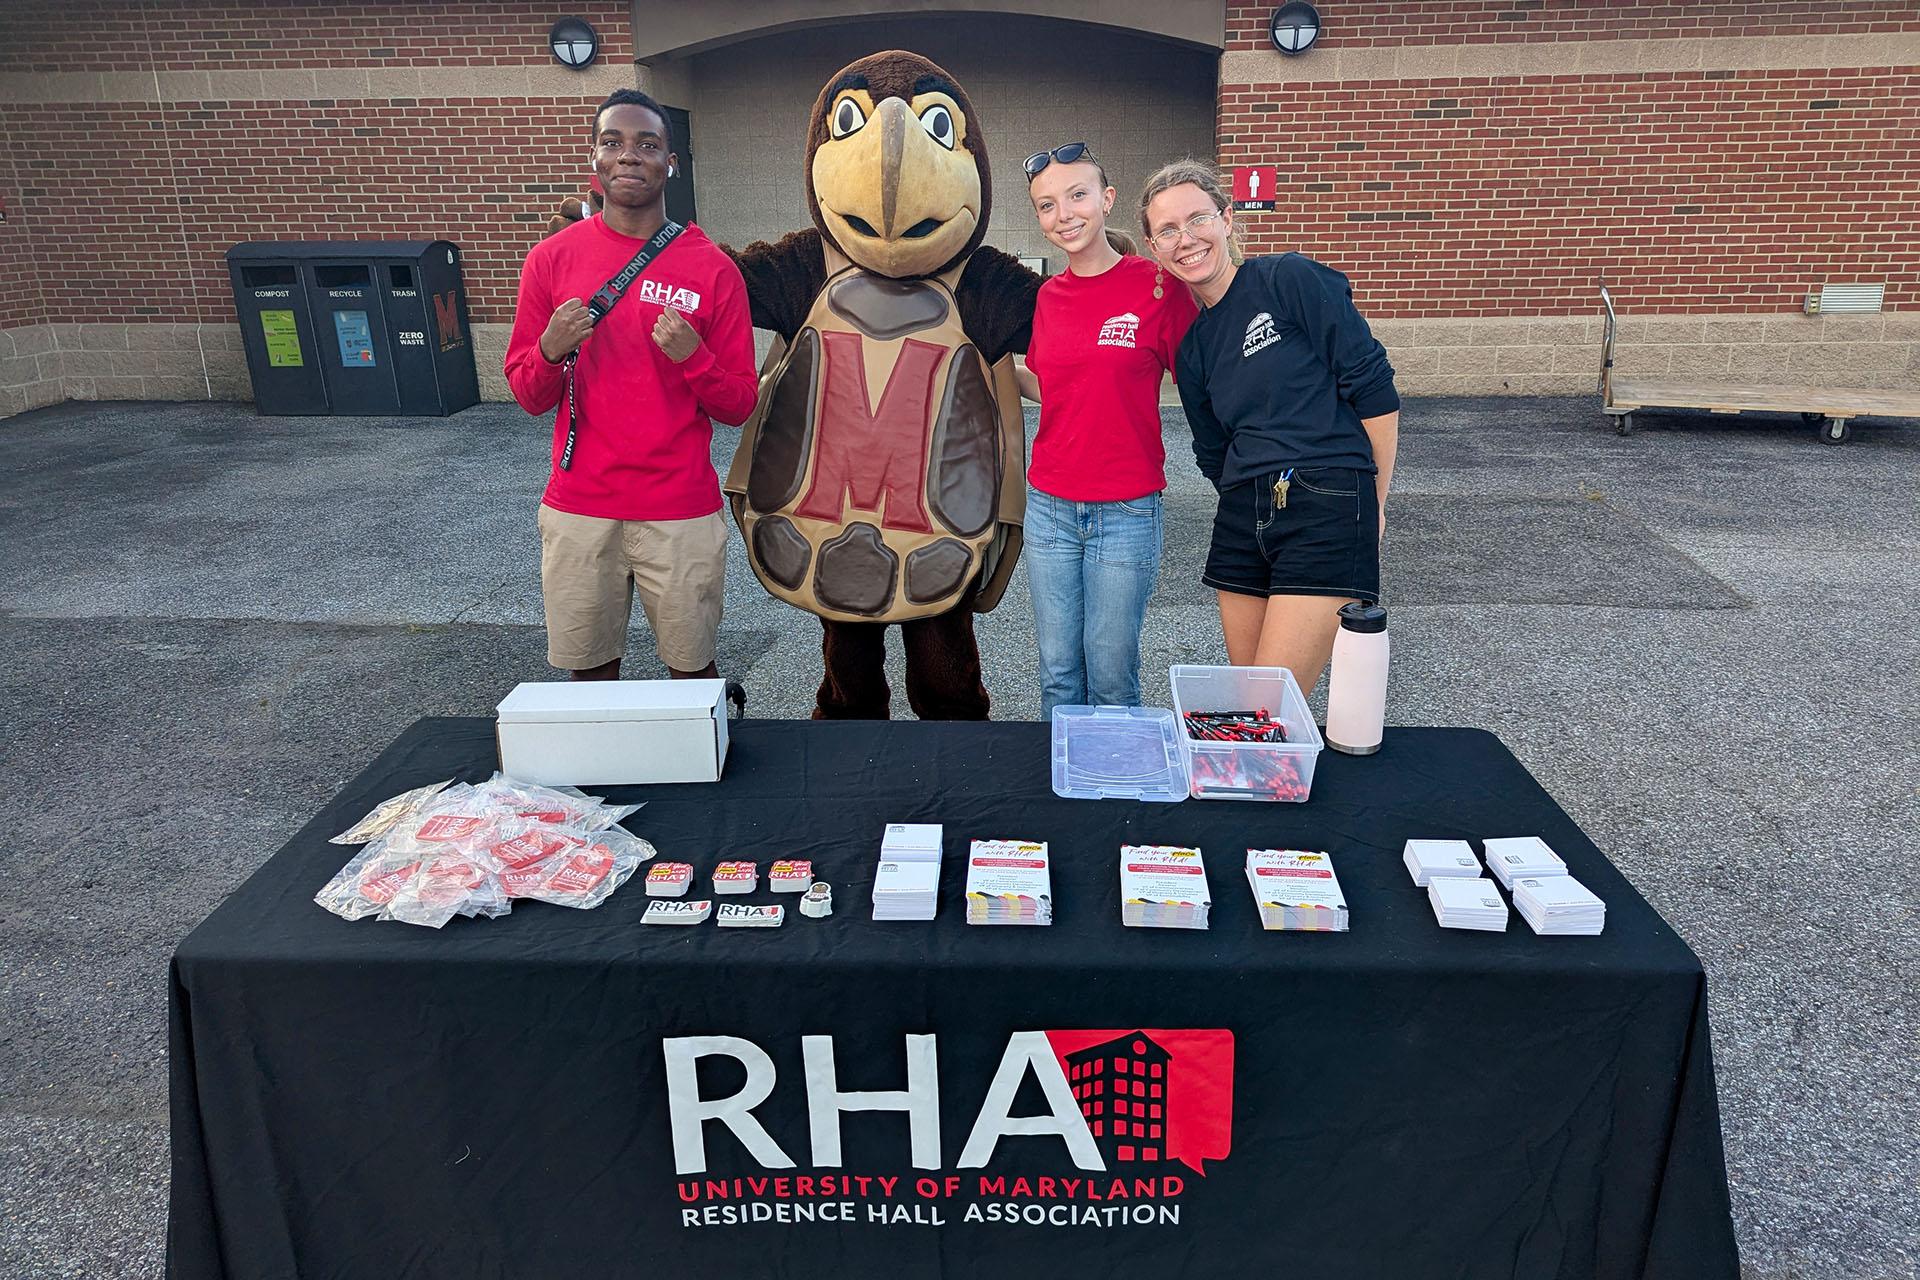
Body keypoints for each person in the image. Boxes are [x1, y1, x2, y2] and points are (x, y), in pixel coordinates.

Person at [505, 89, 757, 699]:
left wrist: (692, 357)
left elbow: (739, 404)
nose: (629, 157)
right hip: (580, 504)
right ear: (594, 157)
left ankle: (701, 782)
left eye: (647, 145)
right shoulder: (550, 260)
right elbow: (528, 393)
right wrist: (551, 347)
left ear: (671, 161)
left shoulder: (712, 268)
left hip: (679, 505)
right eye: (613, 142)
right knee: (589, 674)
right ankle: (601, 791)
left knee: (692, 673)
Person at [1139, 159, 1399, 696]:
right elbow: (1213, 452)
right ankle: (1270, 781)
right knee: (1248, 697)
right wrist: (1247, 497)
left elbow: (1373, 389)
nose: (1185, 239)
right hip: (1241, 514)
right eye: (1167, 230)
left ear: (1227, 219)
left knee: (1269, 705)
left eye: (1197, 219)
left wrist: (1371, 504)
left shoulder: (1287, 279)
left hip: (1324, 498)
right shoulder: (1193, 352)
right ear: (1154, 249)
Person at [1016, 143, 1197, 717]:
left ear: (1106, 199)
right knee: (1058, 669)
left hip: (1126, 509)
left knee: (1111, 668)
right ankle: (1064, 795)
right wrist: (977, 365)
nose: (1064, 215)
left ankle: (1114, 794)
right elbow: (1051, 387)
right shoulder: (1048, 296)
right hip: (1049, 506)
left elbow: (1205, 380)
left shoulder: (1157, 288)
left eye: (1076, 195)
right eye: (1047, 206)